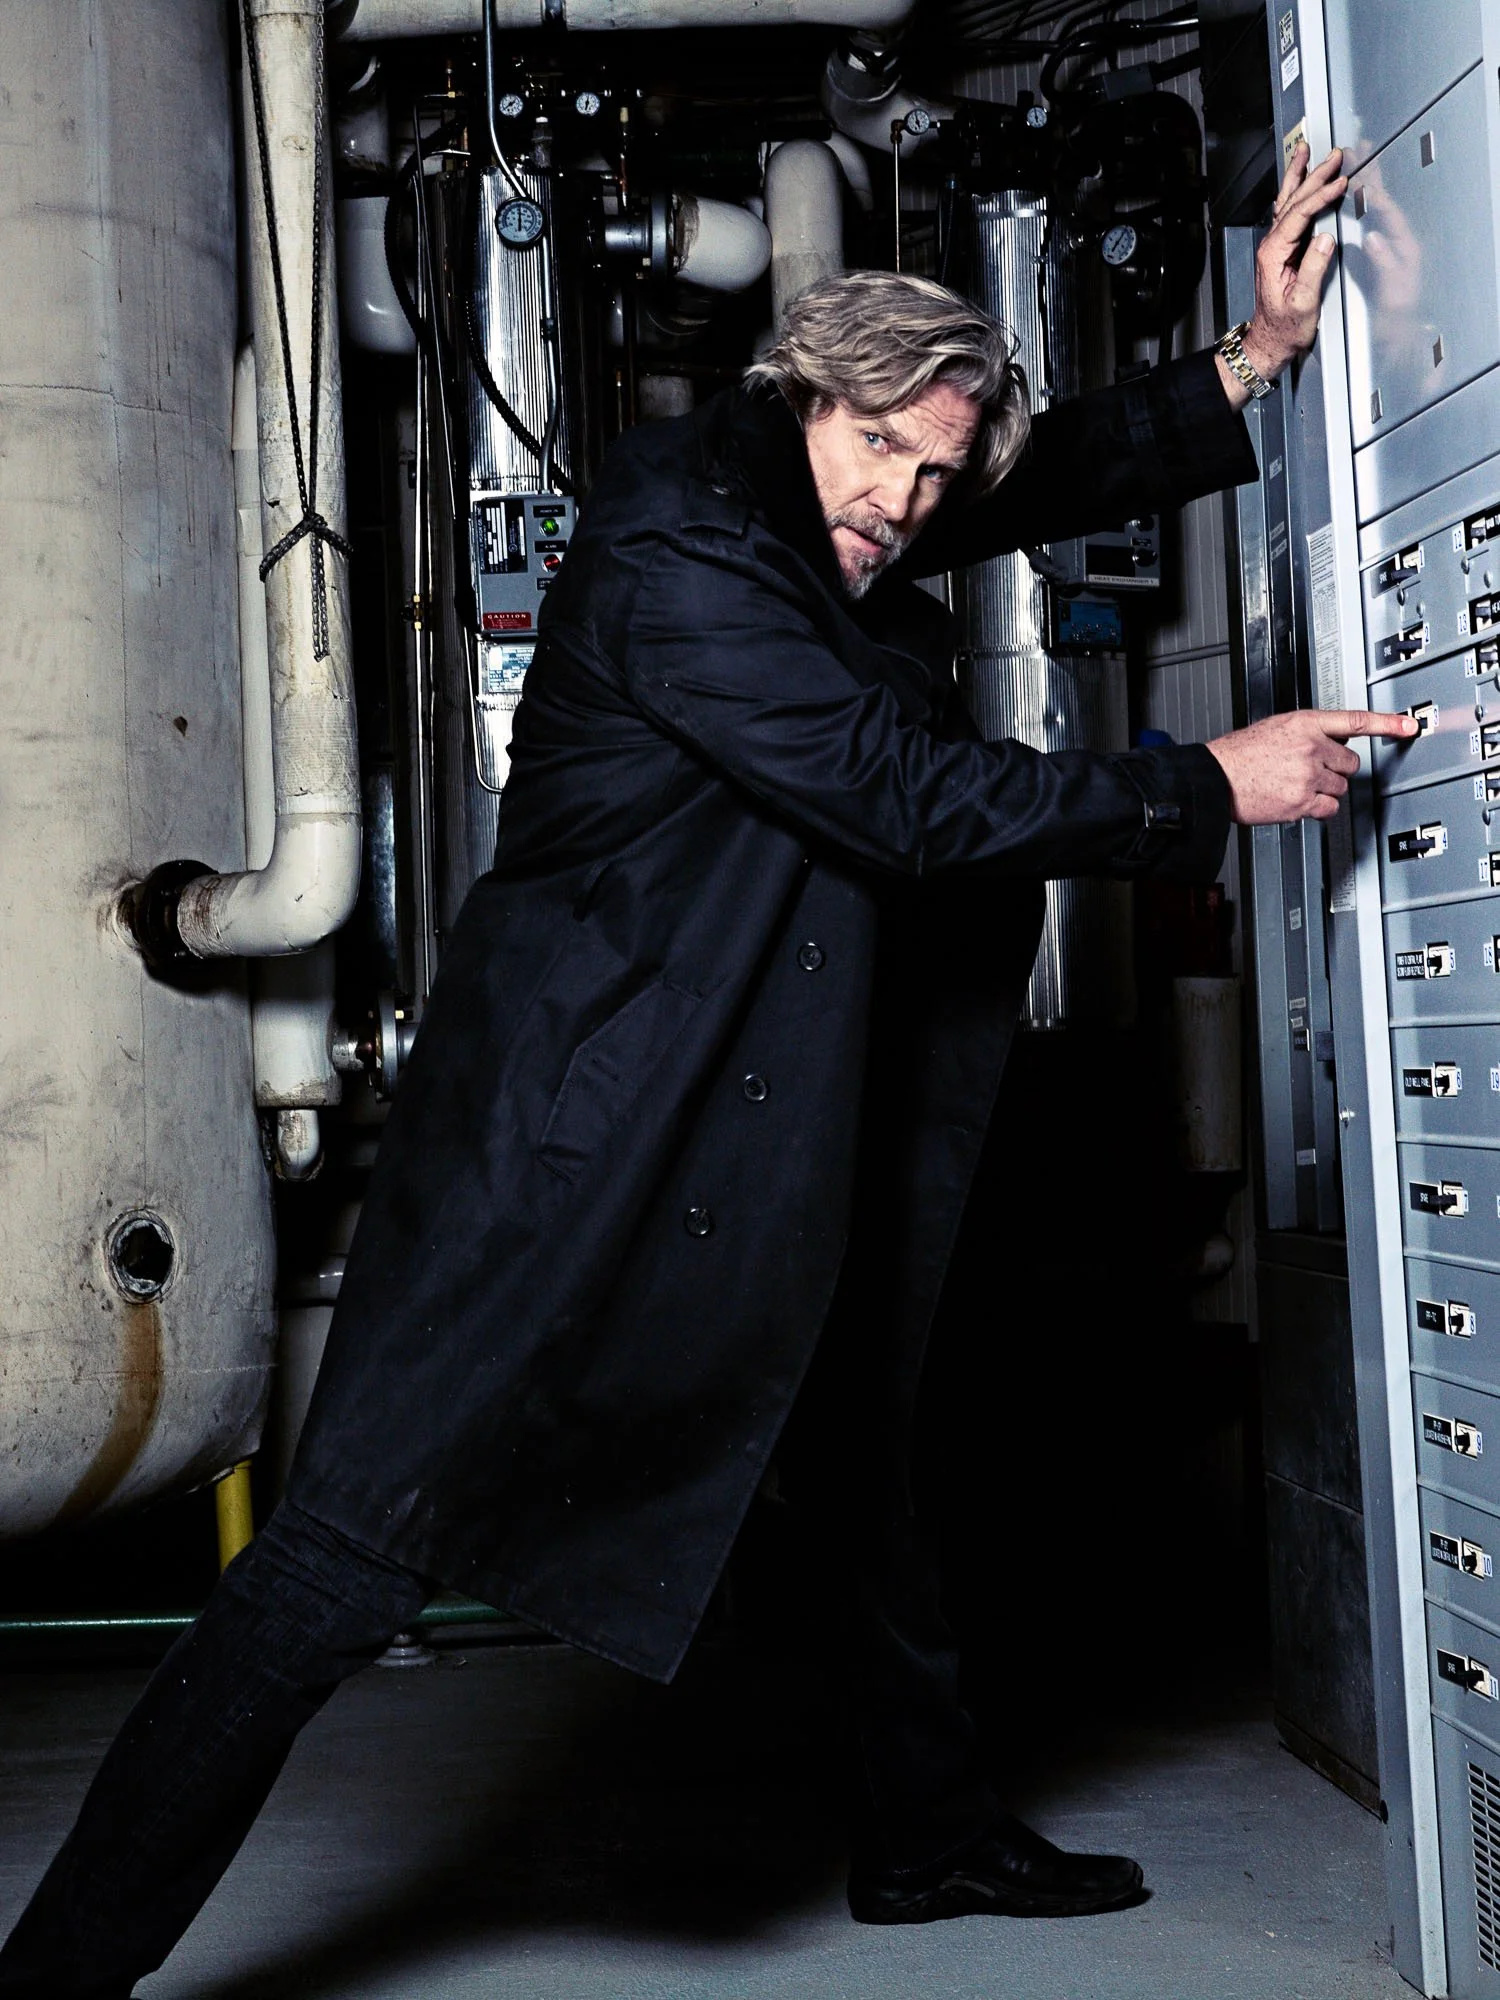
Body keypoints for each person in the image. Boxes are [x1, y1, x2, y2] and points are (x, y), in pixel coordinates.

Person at [0, 143, 1412, 1994]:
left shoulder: (821, 495)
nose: (906, 504)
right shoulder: (690, 547)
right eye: (883, 452)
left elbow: (1019, 474)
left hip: (755, 1112)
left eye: (930, 473)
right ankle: (54, 1976)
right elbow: (901, 796)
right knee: (331, 1574)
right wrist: (1202, 783)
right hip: (568, 1147)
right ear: (804, 391)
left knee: (865, 1450)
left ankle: (924, 1837)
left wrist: (1250, 356)